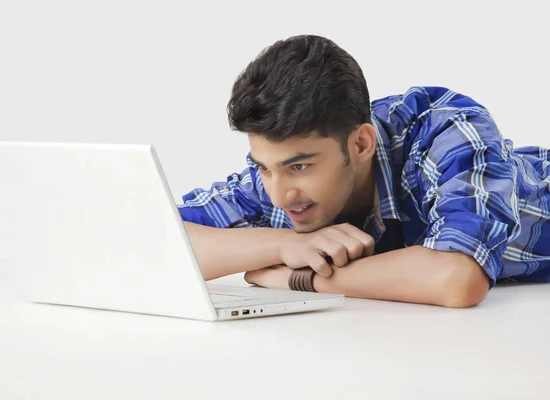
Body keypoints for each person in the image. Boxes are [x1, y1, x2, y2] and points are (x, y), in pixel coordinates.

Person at [176, 34, 550, 308]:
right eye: (265, 168)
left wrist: (296, 279)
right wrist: (285, 244)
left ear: (361, 144)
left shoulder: (443, 130)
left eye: (300, 166)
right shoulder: (276, 177)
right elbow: (150, 238)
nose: (280, 194)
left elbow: (457, 278)